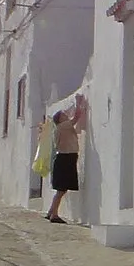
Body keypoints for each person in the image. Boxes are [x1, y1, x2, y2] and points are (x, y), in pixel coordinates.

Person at [46, 95, 86, 224]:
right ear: (60, 119)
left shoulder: (60, 128)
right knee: (62, 189)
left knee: (61, 189)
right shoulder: (63, 126)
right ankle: (54, 215)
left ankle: (51, 211)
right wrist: (79, 103)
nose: (66, 116)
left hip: (64, 157)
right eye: (64, 115)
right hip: (66, 158)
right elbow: (76, 117)